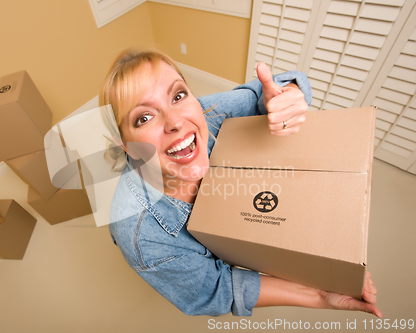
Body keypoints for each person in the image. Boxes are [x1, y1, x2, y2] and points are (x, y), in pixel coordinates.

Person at [99, 48, 382, 318]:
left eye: (178, 95)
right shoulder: (142, 237)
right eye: (143, 117)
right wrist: (317, 295)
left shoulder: (211, 115)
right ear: (127, 145)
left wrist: (288, 97)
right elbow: (213, 288)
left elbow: (265, 91)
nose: (175, 122)